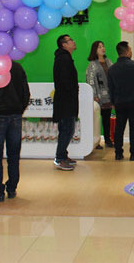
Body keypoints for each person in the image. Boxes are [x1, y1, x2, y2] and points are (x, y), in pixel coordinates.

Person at [0, 61, 29, 202]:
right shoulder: (17, 67)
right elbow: (25, 92)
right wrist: (20, 109)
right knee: (14, 155)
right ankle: (12, 187)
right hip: (15, 114)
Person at [53, 34, 79, 171]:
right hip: (65, 101)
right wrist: (73, 90)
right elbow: (65, 81)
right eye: (70, 40)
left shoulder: (65, 58)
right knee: (67, 130)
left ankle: (63, 155)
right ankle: (60, 158)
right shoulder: (63, 59)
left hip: (66, 100)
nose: (73, 42)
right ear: (64, 45)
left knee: (67, 129)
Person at [86, 40, 114, 148]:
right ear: (95, 50)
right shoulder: (92, 65)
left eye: (103, 46)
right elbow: (91, 80)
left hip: (109, 96)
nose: (103, 48)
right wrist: (94, 95)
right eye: (99, 47)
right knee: (96, 120)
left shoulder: (108, 62)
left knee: (106, 119)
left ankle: (107, 139)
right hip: (98, 97)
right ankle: (95, 141)